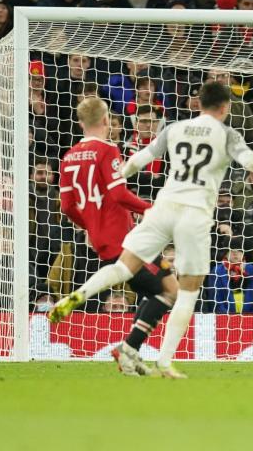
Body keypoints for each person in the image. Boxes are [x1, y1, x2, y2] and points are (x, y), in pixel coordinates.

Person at [48, 83, 253, 378]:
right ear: (225, 107)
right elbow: (251, 161)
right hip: (194, 214)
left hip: (163, 206)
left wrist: (117, 179)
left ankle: (78, 295)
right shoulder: (227, 134)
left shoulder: (175, 128)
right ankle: (165, 361)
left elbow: (139, 159)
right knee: (186, 292)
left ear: (198, 103)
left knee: (123, 265)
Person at [49, 97, 175, 376]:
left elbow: (67, 205)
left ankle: (129, 353)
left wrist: (90, 226)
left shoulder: (68, 157)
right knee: (170, 290)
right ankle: (126, 348)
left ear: (81, 123)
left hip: (101, 239)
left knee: (149, 292)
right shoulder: (108, 150)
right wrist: (151, 209)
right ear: (106, 120)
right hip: (126, 237)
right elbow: (118, 195)